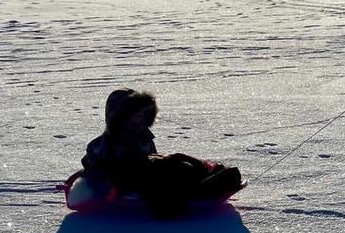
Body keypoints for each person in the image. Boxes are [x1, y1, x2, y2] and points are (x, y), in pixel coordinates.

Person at [63, 88, 243, 219]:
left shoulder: (144, 138)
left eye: (142, 115)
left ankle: (212, 175)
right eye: (133, 115)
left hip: (152, 174)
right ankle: (201, 187)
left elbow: (152, 158)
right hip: (138, 184)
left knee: (177, 161)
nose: (139, 119)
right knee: (170, 172)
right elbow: (99, 170)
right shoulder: (104, 144)